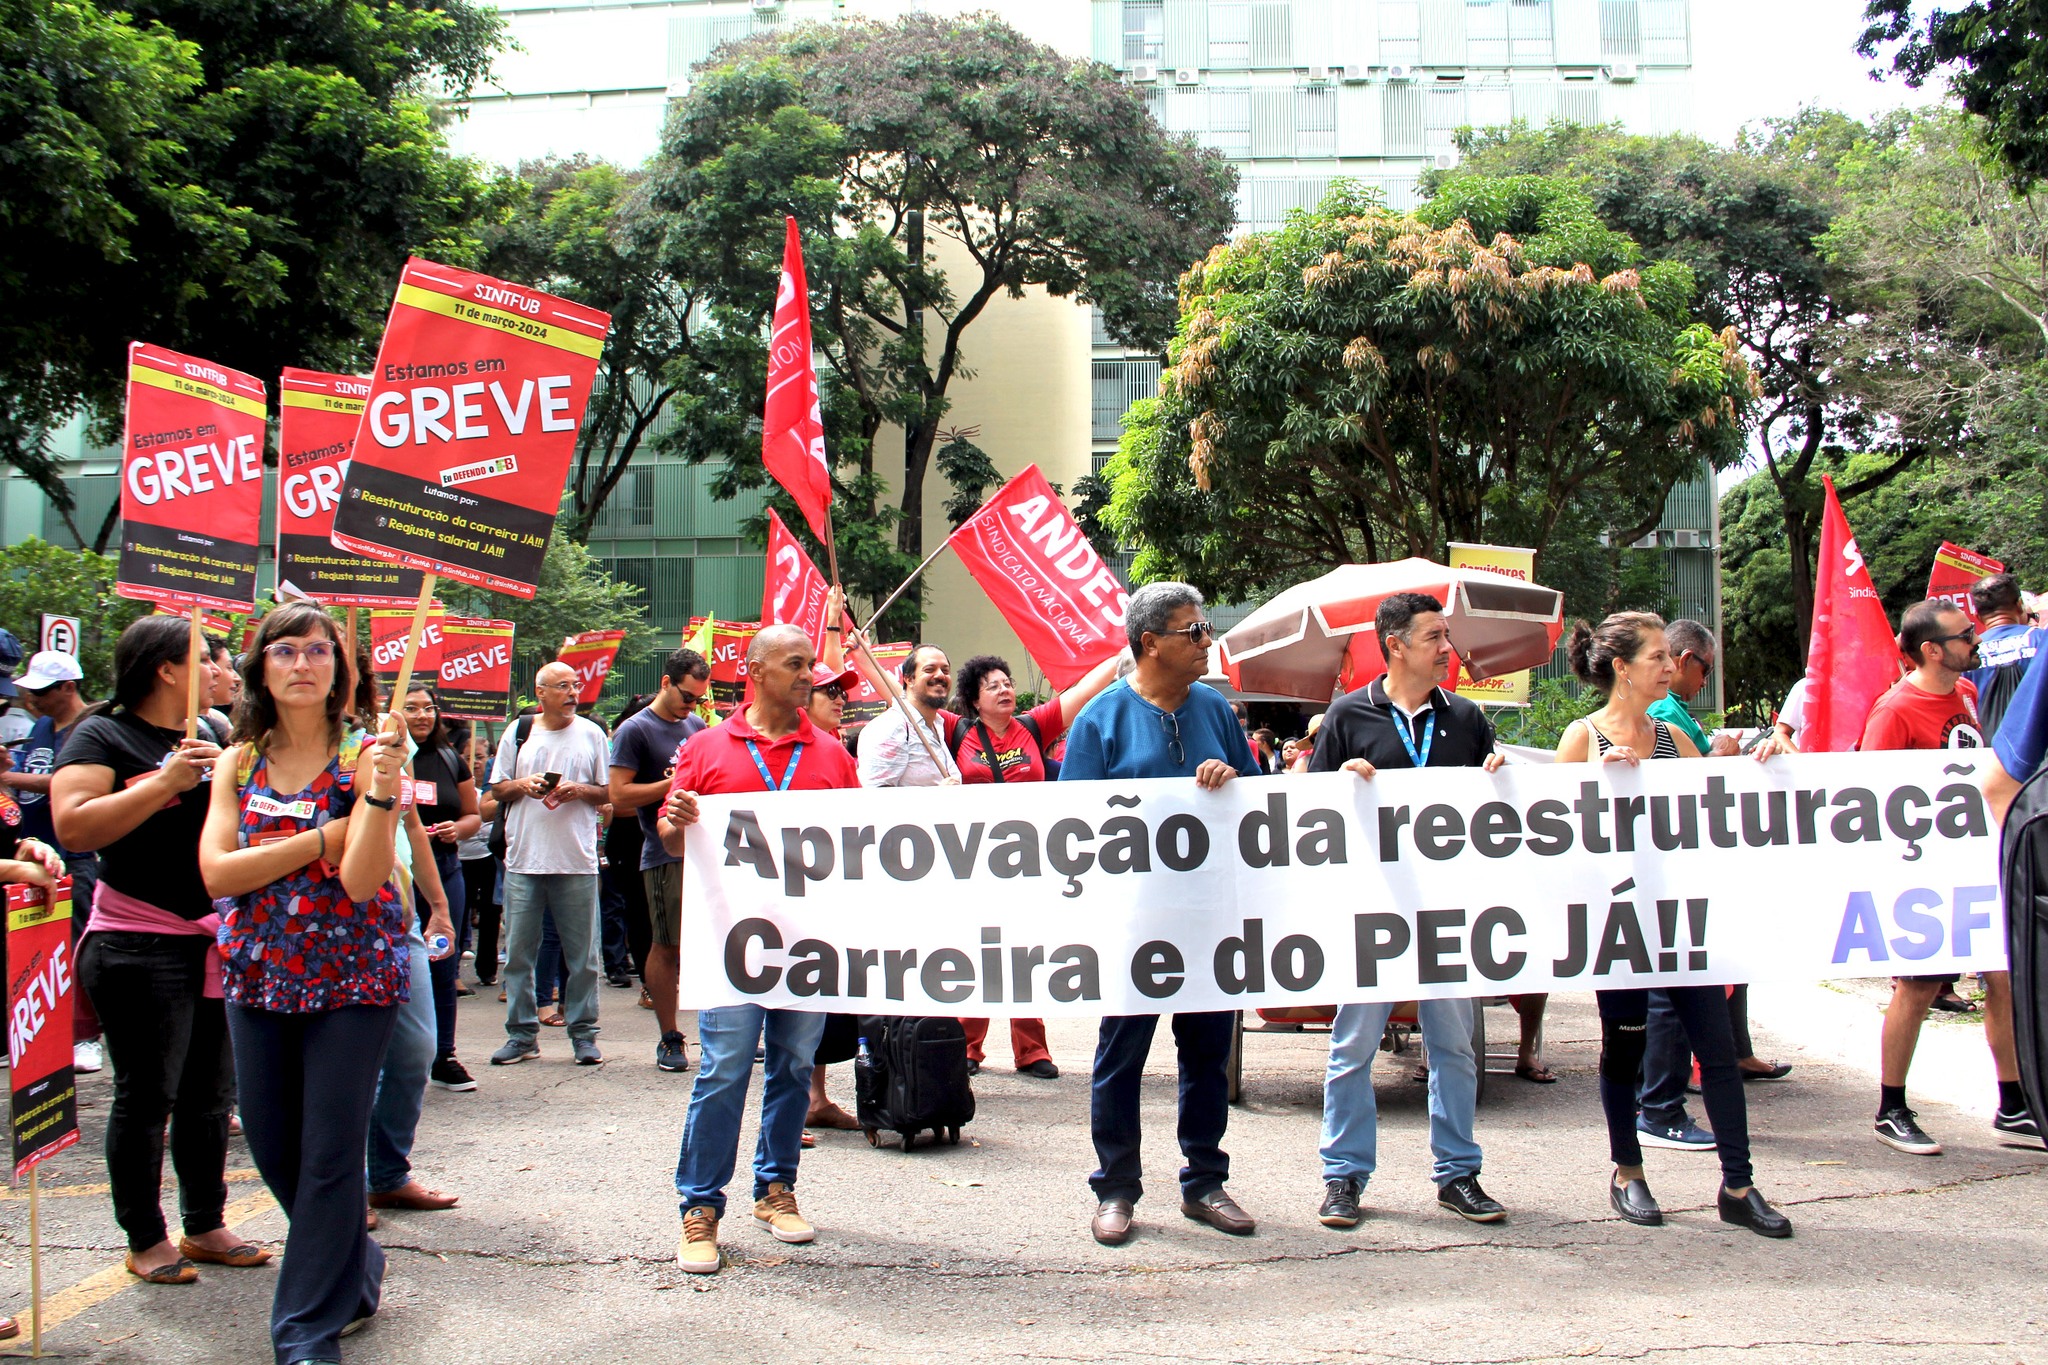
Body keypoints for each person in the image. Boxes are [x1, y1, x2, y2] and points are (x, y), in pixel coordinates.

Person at [199, 600, 413, 1363]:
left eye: (318, 651)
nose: (302, 663)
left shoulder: (369, 755)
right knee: (272, 1141)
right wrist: (322, 833)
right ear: (261, 664)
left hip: (353, 978)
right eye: (285, 650)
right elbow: (218, 871)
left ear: (338, 668)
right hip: (257, 972)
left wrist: (379, 800)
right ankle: (354, 1269)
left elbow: (359, 882)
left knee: (329, 1152)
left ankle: (306, 1328)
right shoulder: (238, 758)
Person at [1556, 612, 1790, 1238]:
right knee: (1624, 1049)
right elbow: (1549, 842)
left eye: (1668, 656)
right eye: (1658, 656)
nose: (1669, 665)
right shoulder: (1583, 739)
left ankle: (1738, 1185)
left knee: (1715, 1049)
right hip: (1619, 925)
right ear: (1622, 668)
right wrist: (1595, 796)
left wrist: (1767, 762)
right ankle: (1627, 1171)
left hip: (1682, 922)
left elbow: (1716, 813)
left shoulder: (1672, 738)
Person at [50, 616, 263, 1284]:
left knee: (209, 1096)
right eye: (207, 658)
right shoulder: (101, 733)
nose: (219, 670)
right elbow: (74, 827)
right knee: (146, 1097)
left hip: (209, 941)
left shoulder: (213, 732)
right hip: (136, 944)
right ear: (166, 668)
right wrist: (162, 783)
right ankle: (145, 1235)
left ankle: (205, 1220)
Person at [1058, 582, 1263, 1247]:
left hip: (1209, 917)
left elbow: (1264, 802)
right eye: (1194, 630)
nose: (1209, 641)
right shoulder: (1100, 720)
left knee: (1206, 1055)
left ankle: (1204, 1180)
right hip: (1133, 925)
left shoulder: (1217, 709)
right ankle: (1116, 1187)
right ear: (1151, 643)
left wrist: (1232, 782)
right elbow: (1071, 828)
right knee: (1122, 1055)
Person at [658, 624, 861, 1274]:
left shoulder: (831, 753)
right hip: (732, 943)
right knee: (723, 1068)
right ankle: (700, 1208)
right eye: (796, 664)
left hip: (807, 945)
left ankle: (776, 1189)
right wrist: (676, 822)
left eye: (810, 664)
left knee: (794, 1069)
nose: (809, 674)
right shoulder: (706, 748)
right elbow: (669, 837)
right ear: (756, 670)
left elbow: (863, 843)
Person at [1306, 592, 1508, 1229]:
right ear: (1395, 645)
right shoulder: (1345, 718)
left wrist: (1502, 776)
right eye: (1434, 638)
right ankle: (1343, 1179)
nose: (1449, 649)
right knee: (1352, 1049)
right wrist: (1339, 788)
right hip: (1371, 913)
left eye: (1446, 636)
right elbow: (1302, 817)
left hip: (1447, 914)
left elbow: (1494, 820)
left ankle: (1459, 1174)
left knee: (1454, 1048)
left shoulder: (1470, 719)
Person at [1858, 600, 2035, 1149]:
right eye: (1963, 636)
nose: (1975, 641)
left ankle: (2014, 1105)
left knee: (2001, 979)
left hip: (1974, 864)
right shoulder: (1894, 710)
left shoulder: (1967, 693)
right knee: (1918, 987)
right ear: (1931, 650)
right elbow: (1867, 798)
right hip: (1924, 871)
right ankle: (1891, 1107)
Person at [1634, 620, 1792, 1149]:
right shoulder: (1656, 718)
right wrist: (1719, 762)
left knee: (1684, 997)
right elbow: (1676, 794)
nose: (1702, 678)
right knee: (1668, 1000)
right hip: (1665, 883)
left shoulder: (1672, 722)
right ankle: (1659, 1107)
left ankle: (1670, 1106)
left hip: (1686, 878)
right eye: (1700, 666)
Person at [944, 650, 1123, 1080]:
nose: (1005, 689)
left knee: (1026, 951)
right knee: (979, 950)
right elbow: (907, 699)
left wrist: (1124, 648)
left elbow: (1083, 692)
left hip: (1029, 861)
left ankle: (1032, 1050)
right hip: (974, 863)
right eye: (993, 686)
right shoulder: (956, 732)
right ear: (973, 698)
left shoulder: (1033, 726)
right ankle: (967, 1045)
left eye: (1007, 682)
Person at [488, 662, 612, 1067]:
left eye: (575, 685)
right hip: (524, 860)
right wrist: (524, 785)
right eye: (563, 686)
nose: (572, 692)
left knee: (584, 957)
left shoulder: (592, 733)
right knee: (520, 953)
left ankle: (584, 1034)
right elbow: (498, 787)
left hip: (576, 860)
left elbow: (608, 791)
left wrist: (581, 790)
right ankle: (522, 1035)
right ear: (540, 693)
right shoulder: (519, 731)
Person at [608, 648, 711, 1073]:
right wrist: (668, 786)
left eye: (698, 699)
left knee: (710, 945)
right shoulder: (636, 730)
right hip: (661, 852)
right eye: (686, 696)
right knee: (666, 944)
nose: (692, 706)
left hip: (702, 851)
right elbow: (618, 796)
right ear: (666, 683)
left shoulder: (698, 726)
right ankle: (670, 1036)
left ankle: (721, 1030)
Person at [5, 649, 105, 1073]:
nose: (33, 700)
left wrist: (10, 777)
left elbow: (70, 784)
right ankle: (38, 1035)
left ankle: (86, 1037)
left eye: (43, 691)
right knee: (36, 952)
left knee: (77, 945)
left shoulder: (91, 727)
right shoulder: (42, 726)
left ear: (68, 687)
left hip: (74, 856)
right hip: (33, 849)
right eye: (30, 692)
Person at [401, 685, 482, 1091]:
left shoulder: (450, 758)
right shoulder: (381, 758)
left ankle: (443, 1054)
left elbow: (473, 815)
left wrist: (458, 830)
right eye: (411, 708)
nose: (421, 716)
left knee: (442, 963)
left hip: (447, 872)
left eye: (428, 708)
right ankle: (399, 1057)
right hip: (399, 877)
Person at [856, 645, 960, 788]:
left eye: (945, 670)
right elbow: (873, 798)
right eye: (929, 669)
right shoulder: (890, 727)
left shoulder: (936, 724)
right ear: (909, 679)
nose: (940, 675)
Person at [1966, 573, 2048, 741]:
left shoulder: (1966, 655)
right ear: (2020, 605)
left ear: (1977, 616)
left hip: (1993, 754)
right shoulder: (2041, 640)